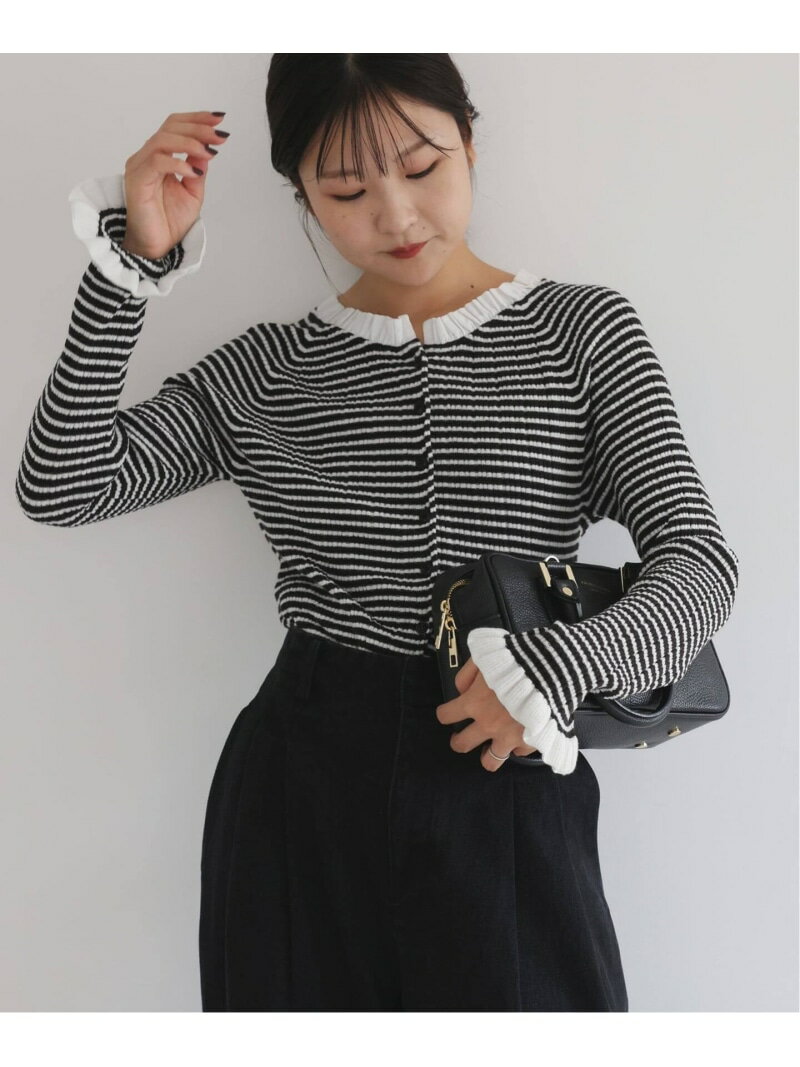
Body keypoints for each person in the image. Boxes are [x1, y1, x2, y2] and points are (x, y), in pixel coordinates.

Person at [15, 54, 739, 1012]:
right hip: (300, 793)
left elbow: (699, 561)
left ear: (469, 142)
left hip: (510, 768)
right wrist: (131, 268)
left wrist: (560, 667)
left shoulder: (582, 333)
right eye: (347, 190)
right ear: (301, 192)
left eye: (424, 166)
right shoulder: (268, 371)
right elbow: (63, 482)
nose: (396, 217)